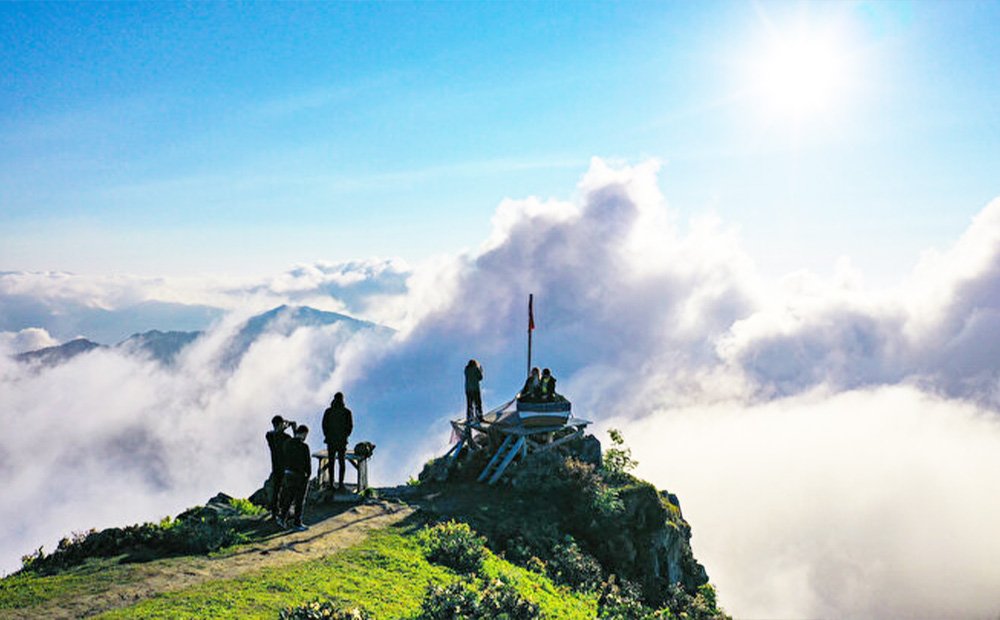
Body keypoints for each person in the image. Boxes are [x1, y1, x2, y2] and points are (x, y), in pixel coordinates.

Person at [277, 424, 311, 531]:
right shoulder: (304, 447)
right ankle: (297, 522)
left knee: (289, 497)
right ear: (304, 433)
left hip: (288, 474)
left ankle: (282, 518)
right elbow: (307, 464)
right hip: (300, 476)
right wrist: (308, 475)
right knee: (299, 500)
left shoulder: (287, 443)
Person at [265, 415, 297, 519]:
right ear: (279, 424)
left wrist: (289, 428)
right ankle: (281, 511)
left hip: (277, 467)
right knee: (283, 489)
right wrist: (292, 429)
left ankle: (276, 512)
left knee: (277, 489)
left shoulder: (270, 436)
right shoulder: (280, 436)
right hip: (284, 467)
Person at [322, 392, 353, 492]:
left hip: (331, 441)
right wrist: (345, 436)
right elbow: (350, 427)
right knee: (341, 463)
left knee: (331, 463)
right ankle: (340, 484)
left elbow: (324, 425)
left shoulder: (329, 411)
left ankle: (331, 484)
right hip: (341, 441)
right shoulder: (347, 412)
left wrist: (327, 436)